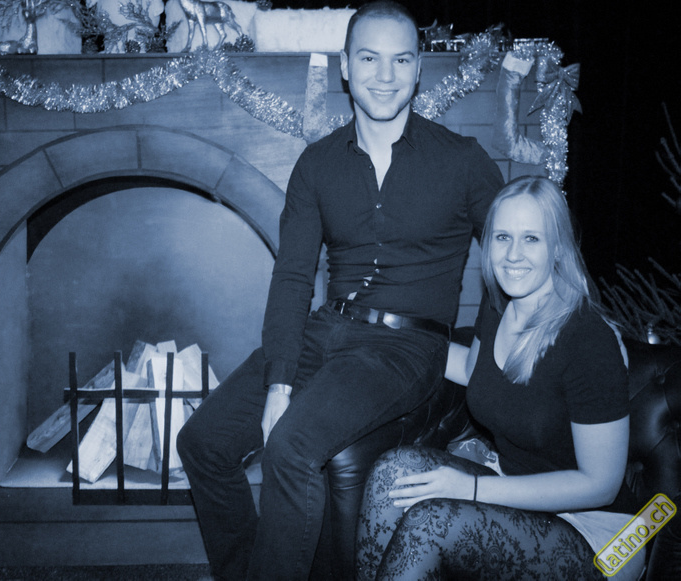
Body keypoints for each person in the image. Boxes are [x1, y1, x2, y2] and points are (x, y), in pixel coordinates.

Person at [176, 2, 504, 579]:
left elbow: (515, 259)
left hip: (404, 349)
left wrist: (491, 350)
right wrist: (279, 381)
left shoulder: (464, 161)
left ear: (418, 68)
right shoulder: (317, 164)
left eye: (400, 60)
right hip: (325, 330)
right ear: (346, 69)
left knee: (291, 446)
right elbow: (292, 277)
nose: (385, 75)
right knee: (203, 441)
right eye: (369, 59)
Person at [354, 176, 644, 581]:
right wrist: (386, 340)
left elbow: (601, 485)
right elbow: (473, 371)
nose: (513, 255)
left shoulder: (588, 341)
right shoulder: (498, 306)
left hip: (599, 530)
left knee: (429, 525)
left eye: (531, 239)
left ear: (558, 248)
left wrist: (471, 489)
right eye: (503, 237)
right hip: (518, 492)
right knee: (392, 472)